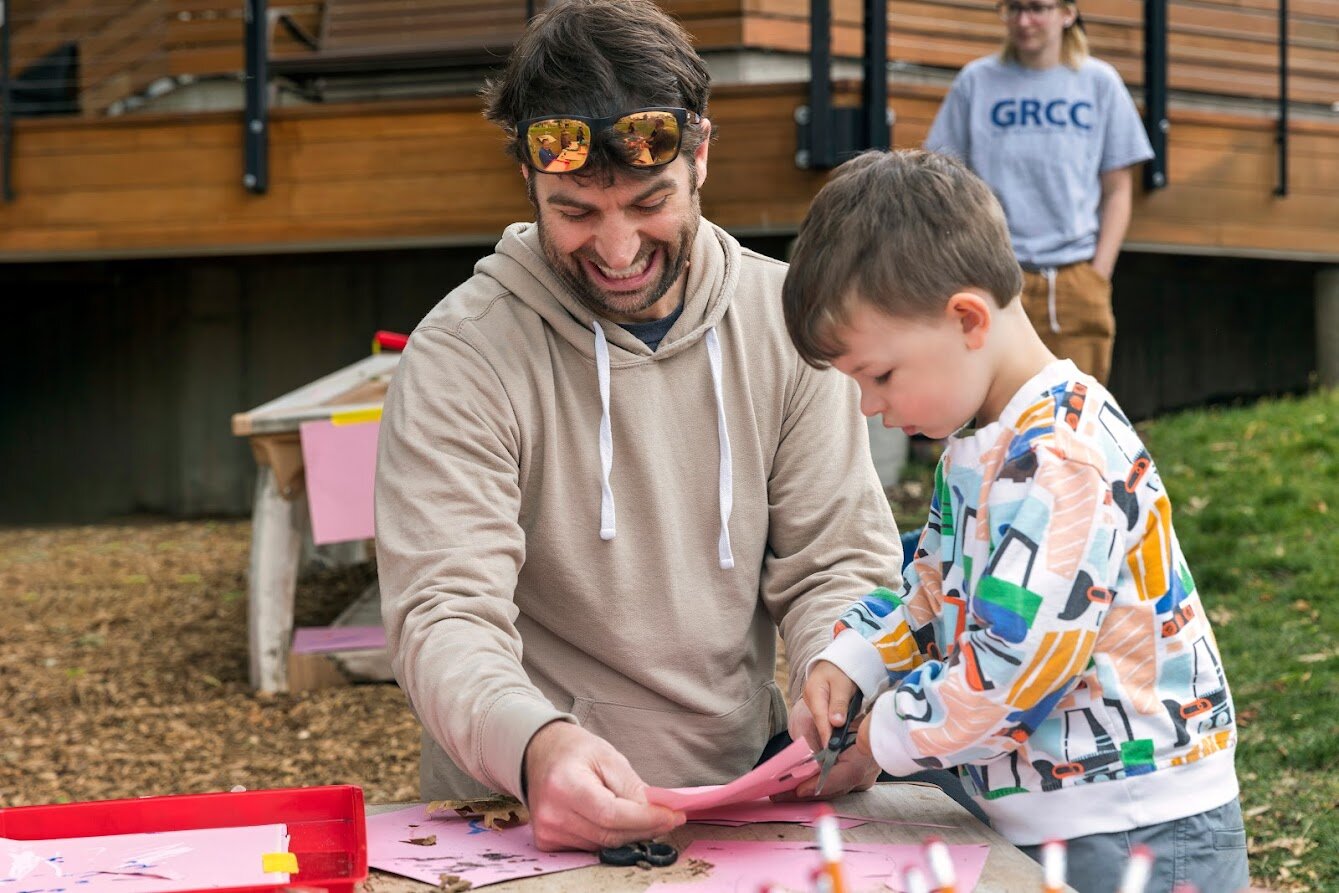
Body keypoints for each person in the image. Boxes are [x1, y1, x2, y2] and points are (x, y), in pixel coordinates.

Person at [374, 0, 901, 854]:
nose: (616, 250)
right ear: (529, 181)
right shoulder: (460, 355)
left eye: (648, 202)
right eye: (577, 211)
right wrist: (535, 747)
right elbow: (443, 614)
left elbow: (835, 560)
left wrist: (843, 684)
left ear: (699, 157)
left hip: (753, 798)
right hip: (521, 815)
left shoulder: (785, 324)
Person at [781, 149, 1247, 893]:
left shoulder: (1058, 458)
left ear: (965, 318)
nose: (870, 406)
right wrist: (855, 659)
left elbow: (1011, 671)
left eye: (879, 375)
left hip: (1134, 831)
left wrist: (883, 732)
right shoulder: (975, 443)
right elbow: (929, 595)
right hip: (1053, 812)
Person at [924, 0, 1153, 385]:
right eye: (1012, 8)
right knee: (997, 412)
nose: (1023, 20)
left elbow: (1118, 190)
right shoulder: (976, 81)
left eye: (1036, 8)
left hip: (1076, 278)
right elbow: (943, 178)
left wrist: (1099, 273)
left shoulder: (1099, 83)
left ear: (1067, 13)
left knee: (1074, 413)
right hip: (995, 275)